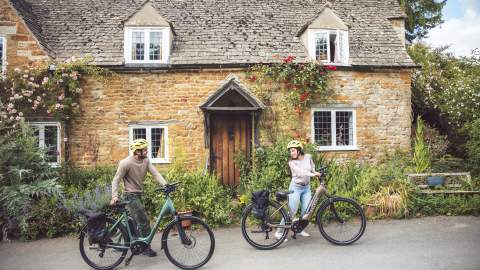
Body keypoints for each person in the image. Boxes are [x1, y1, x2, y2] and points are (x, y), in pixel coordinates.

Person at [110, 138, 167, 257]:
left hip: (138, 194)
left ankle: (120, 243)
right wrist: (114, 196)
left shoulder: (146, 161)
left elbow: (155, 173)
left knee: (132, 221)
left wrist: (165, 184)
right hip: (130, 195)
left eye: (146, 149)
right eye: (144, 150)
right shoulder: (125, 163)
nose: (146, 151)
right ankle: (145, 247)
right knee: (144, 220)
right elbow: (116, 180)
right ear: (136, 151)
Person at [275, 140, 321, 240]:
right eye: (290, 151)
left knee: (306, 211)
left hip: (306, 188)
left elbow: (312, 167)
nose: (292, 153)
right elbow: (300, 173)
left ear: (299, 150)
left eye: (293, 150)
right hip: (295, 188)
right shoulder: (291, 163)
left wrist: (315, 172)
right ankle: (279, 232)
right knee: (292, 211)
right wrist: (313, 175)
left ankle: (300, 229)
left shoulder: (308, 157)